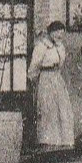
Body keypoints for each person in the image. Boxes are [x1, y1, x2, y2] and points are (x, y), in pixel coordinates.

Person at [27, 21, 76, 151]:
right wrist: (35, 81)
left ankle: (63, 143)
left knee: (63, 109)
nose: (59, 36)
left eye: (61, 34)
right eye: (56, 33)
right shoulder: (41, 46)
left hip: (56, 78)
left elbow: (61, 63)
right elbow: (34, 66)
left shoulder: (60, 46)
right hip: (46, 78)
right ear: (50, 32)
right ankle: (47, 143)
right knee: (48, 110)